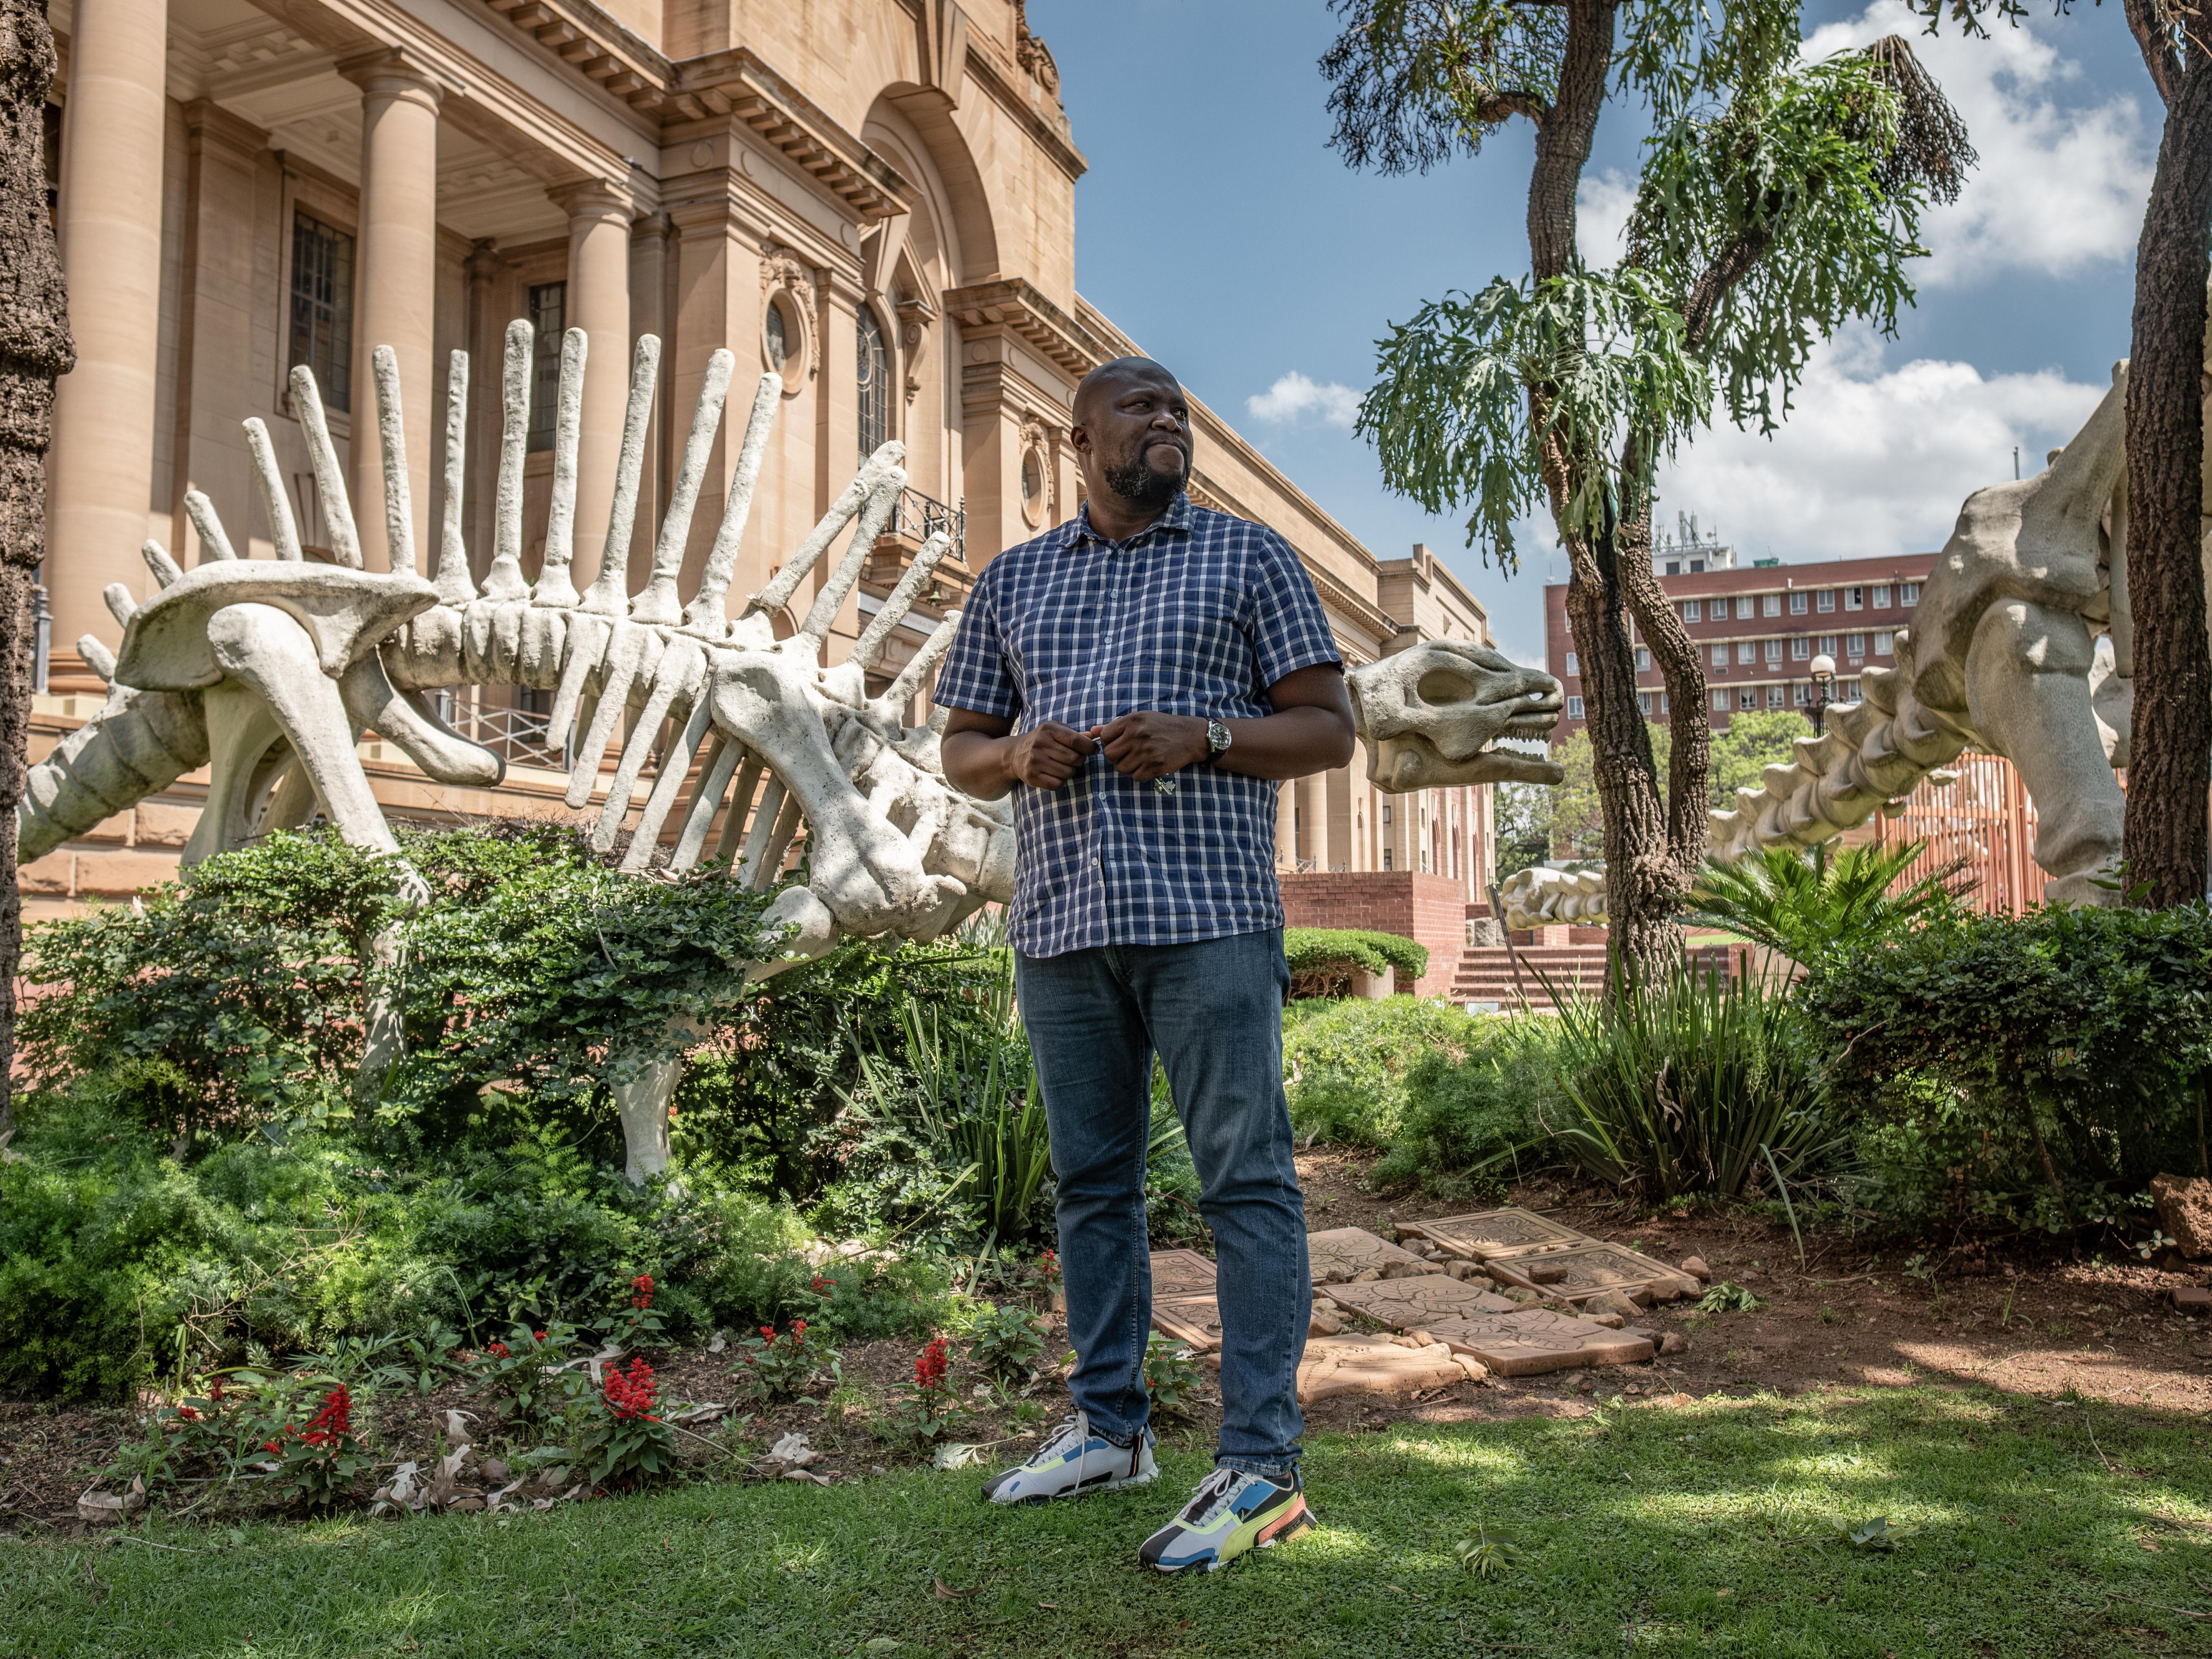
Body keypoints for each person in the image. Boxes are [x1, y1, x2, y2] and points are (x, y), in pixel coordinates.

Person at [933, 355, 1355, 1574]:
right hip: (1063, 929)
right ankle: (1112, 1430)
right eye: (1143, 408)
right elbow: (959, 744)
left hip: (1208, 922)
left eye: (1178, 410)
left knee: (1247, 1184)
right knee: (1093, 1187)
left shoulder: (1250, 558)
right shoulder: (1012, 583)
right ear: (1080, 438)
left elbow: (1330, 728)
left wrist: (1208, 736)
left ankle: (1264, 1470)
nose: (1168, 423)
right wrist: (1016, 759)